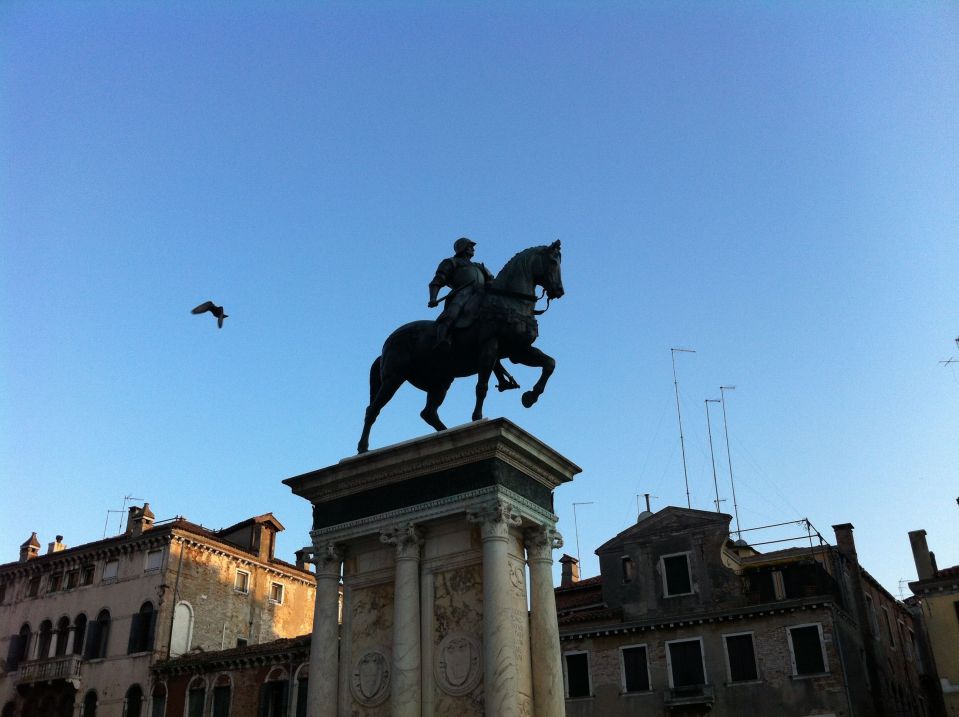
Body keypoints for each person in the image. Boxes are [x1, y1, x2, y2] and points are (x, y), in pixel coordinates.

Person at [428, 238, 519, 390]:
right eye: (470, 246)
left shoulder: (479, 266)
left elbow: (493, 282)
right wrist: (433, 298)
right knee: (453, 312)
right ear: (462, 248)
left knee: (494, 327)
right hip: (462, 294)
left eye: (472, 247)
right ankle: (442, 339)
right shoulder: (451, 262)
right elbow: (438, 280)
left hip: (482, 297)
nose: (473, 249)